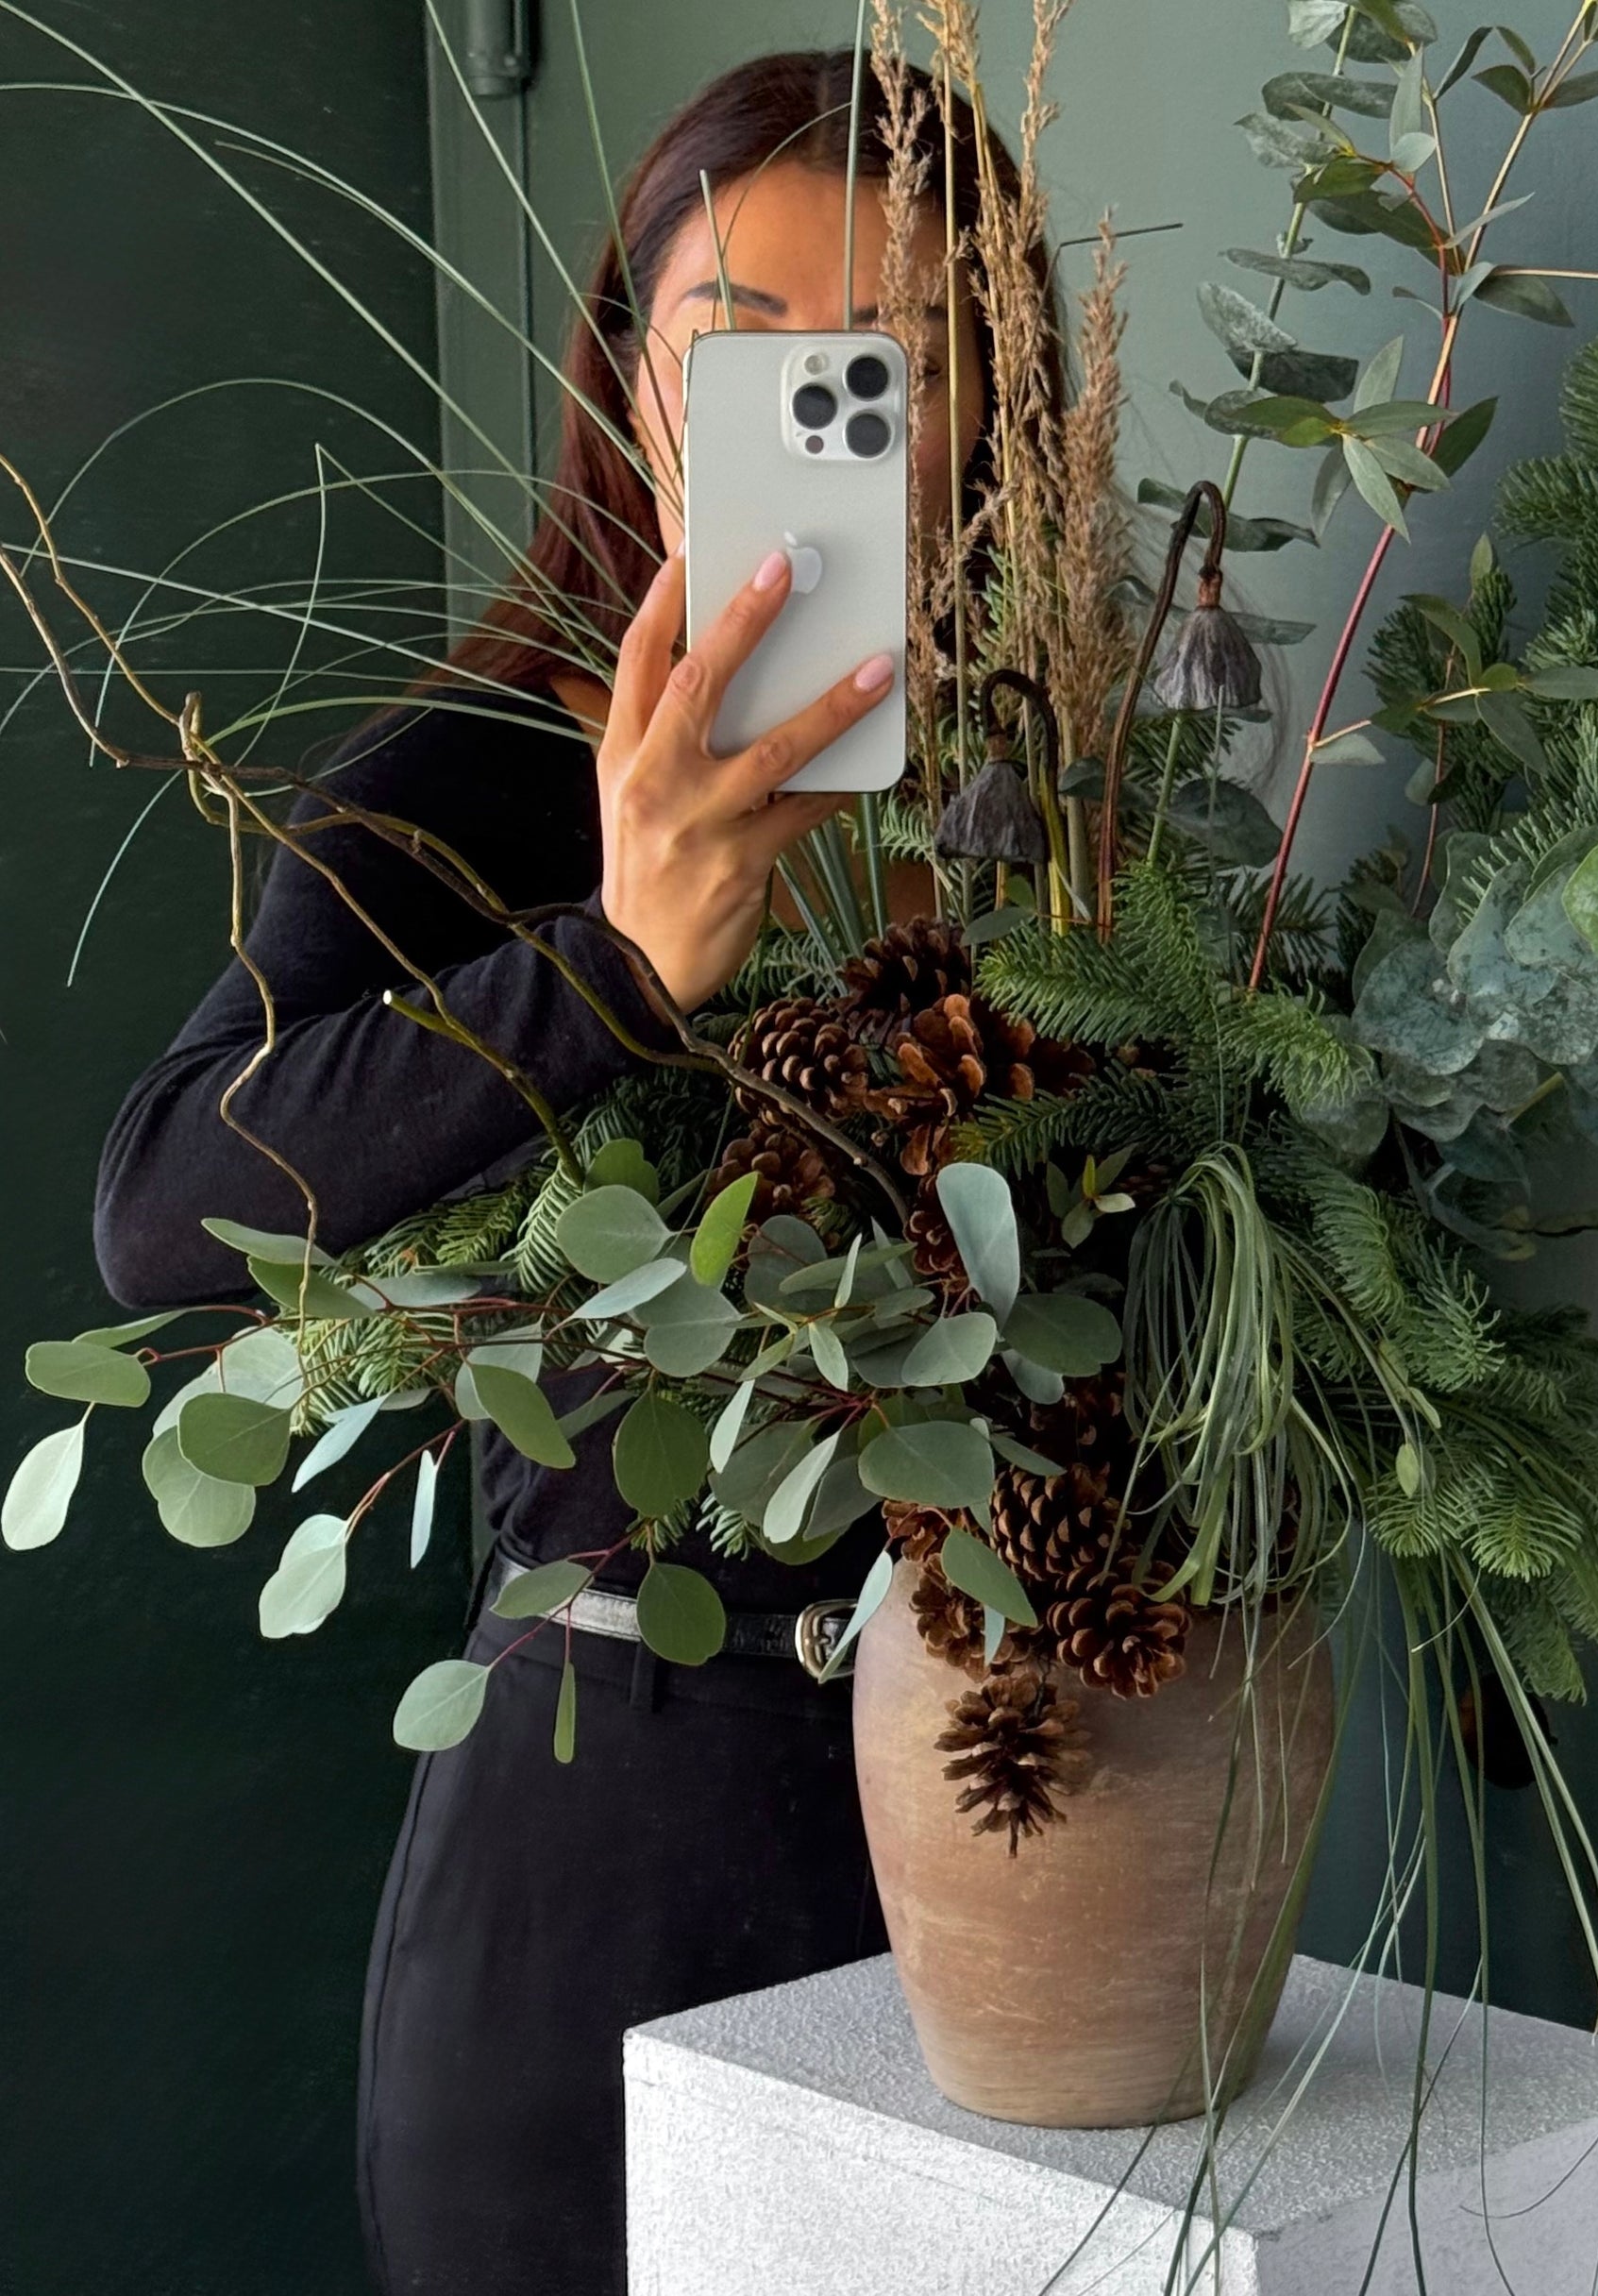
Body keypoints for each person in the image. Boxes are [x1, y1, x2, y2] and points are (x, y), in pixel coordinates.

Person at [92, 46, 1067, 2296]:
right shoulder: (487, 771)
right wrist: (620, 956)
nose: (820, 417)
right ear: (634, 377)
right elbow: (164, 1207)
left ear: (1003, 409)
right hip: (616, 1837)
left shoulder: (1086, 811)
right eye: (745, 352)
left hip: (1023, 1835)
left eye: (895, 371)